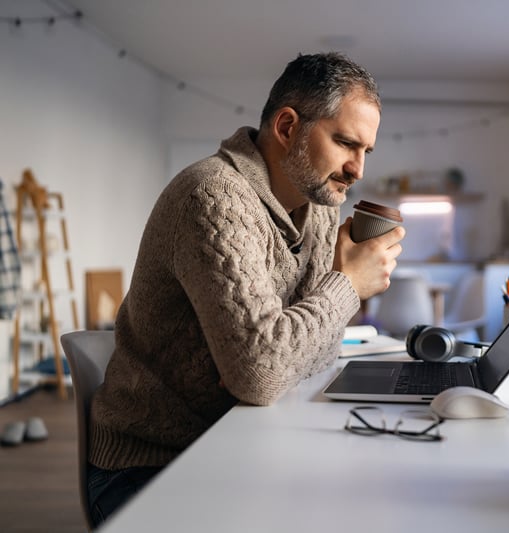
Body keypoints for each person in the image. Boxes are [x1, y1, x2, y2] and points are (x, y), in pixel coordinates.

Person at [86, 52, 404, 526]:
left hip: (241, 437)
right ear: (287, 127)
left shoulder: (319, 208)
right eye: (344, 143)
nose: (358, 169)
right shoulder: (212, 197)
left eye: (366, 151)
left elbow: (313, 356)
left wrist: (272, 357)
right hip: (153, 465)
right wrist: (346, 286)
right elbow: (261, 375)